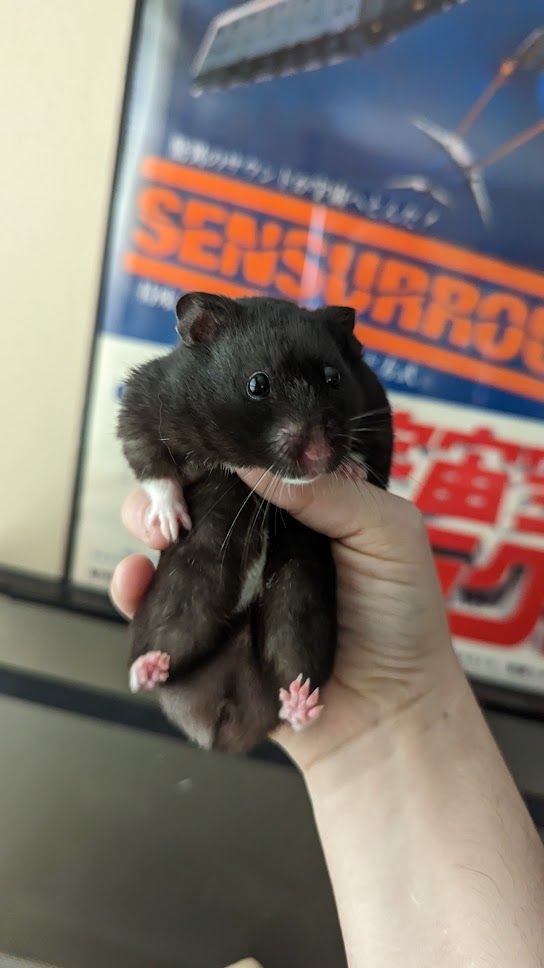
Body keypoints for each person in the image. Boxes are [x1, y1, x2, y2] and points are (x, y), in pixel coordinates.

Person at [111, 471, 544, 968]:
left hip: (283, 664)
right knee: (189, 594)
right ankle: (164, 659)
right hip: (224, 656)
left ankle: (178, 664)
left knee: (282, 616)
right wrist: (161, 483)